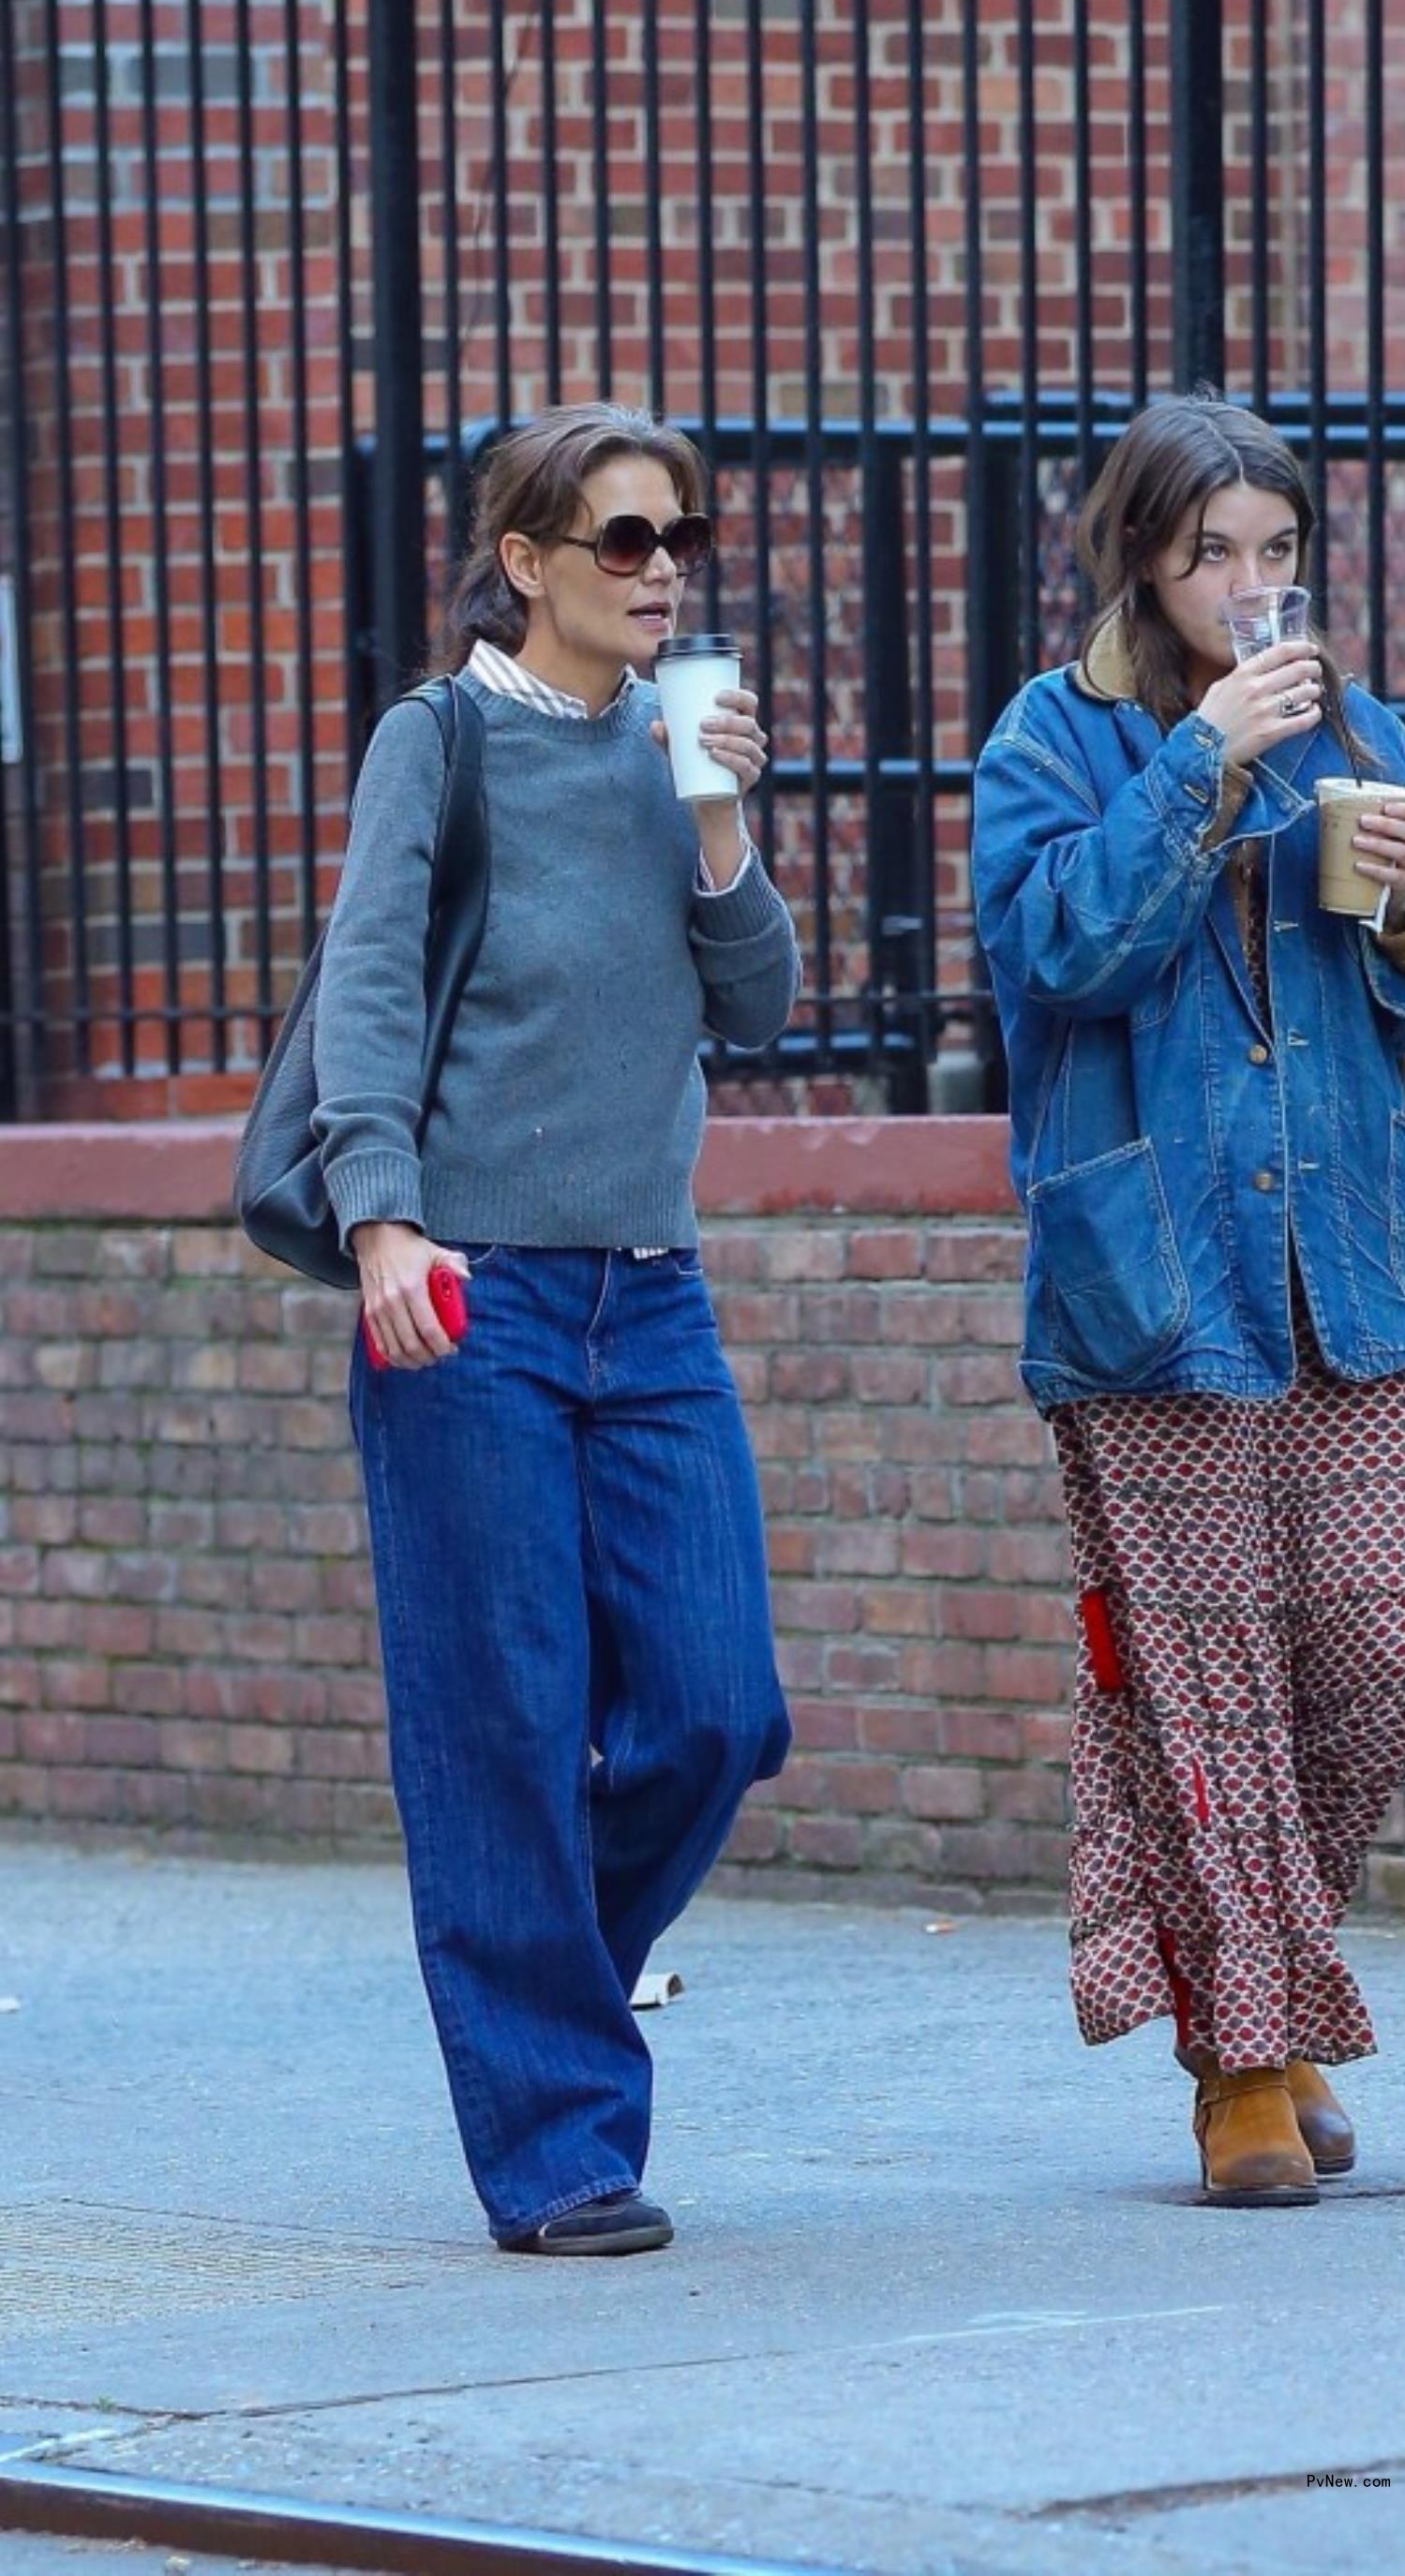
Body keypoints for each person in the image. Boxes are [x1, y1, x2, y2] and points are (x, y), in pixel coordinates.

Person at [971, 393, 1405, 2207]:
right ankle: (1241, 2060)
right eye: (1219, 554)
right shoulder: (1059, 738)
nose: (1256, 587)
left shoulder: (1350, 727)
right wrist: (1200, 764)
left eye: (1280, 552)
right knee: (1205, 1686)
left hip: (1340, 1270)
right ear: (1145, 554)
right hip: (1157, 1280)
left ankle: (1260, 1985)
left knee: (1375, 1645)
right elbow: (1061, 952)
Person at [313, 402, 799, 2256]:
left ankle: (537, 1980)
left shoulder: (670, 749)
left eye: (678, 537)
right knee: (502, 1721)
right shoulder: (438, 742)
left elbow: (756, 995)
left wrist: (717, 817)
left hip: (648, 1294)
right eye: (622, 538)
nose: (661, 566)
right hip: (466, 1292)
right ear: (526, 564)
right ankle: (559, 2141)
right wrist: (382, 1217)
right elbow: (368, 989)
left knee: (714, 1704)